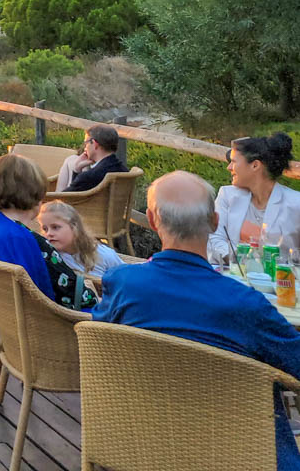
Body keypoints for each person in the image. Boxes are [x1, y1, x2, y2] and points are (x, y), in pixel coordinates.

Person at [93, 171, 300, 471]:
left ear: (152, 221)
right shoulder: (245, 305)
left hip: (139, 443)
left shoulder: (122, 284)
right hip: (242, 453)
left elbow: (100, 349)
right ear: (215, 221)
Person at [0, 154, 95, 311]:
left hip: (15, 317)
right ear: (34, 194)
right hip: (65, 324)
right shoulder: (23, 239)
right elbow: (43, 298)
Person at [207, 133, 300, 265]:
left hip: (283, 282)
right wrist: (245, 262)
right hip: (235, 278)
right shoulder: (228, 195)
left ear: (255, 165)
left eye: (233, 162)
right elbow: (213, 237)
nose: (229, 168)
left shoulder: (296, 203)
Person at [38, 200, 124, 279]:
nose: (49, 233)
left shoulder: (103, 255)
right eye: (45, 229)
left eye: (55, 227)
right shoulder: (49, 257)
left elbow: (126, 277)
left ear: (74, 227)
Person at [54, 123, 128, 193]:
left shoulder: (88, 177)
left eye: (86, 143)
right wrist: (78, 168)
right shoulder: (124, 171)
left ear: (95, 144)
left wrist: (76, 171)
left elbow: (65, 197)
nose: (85, 147)